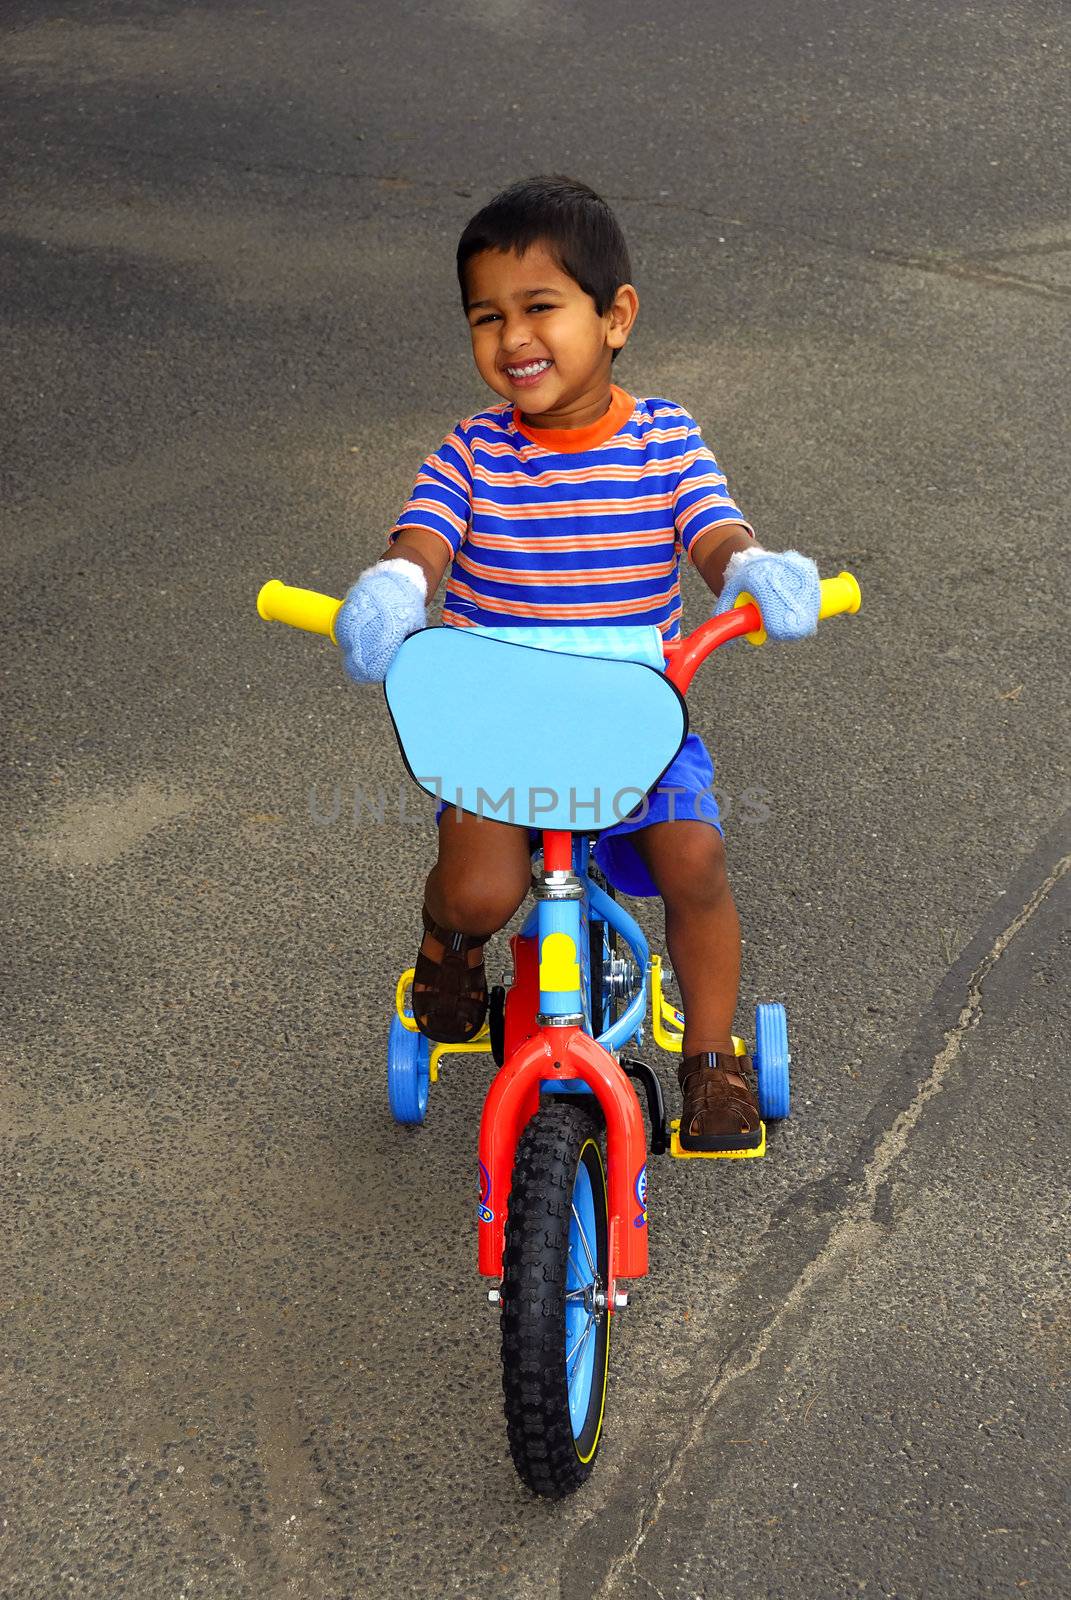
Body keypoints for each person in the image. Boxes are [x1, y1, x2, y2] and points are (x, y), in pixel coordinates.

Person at [334, 176, 820, 1153]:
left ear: (615, 317)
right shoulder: (468, 454)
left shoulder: (662, 440)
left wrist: (752, 570)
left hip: (634, 718)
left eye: (541, 308)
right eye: (487, 317)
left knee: (696, 860)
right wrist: (395, 584)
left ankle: (713, 1060)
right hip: (498, 726)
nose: (513, 339)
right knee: (479, 890)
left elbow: (714, 529)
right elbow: (422, 538)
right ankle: (448, 943)